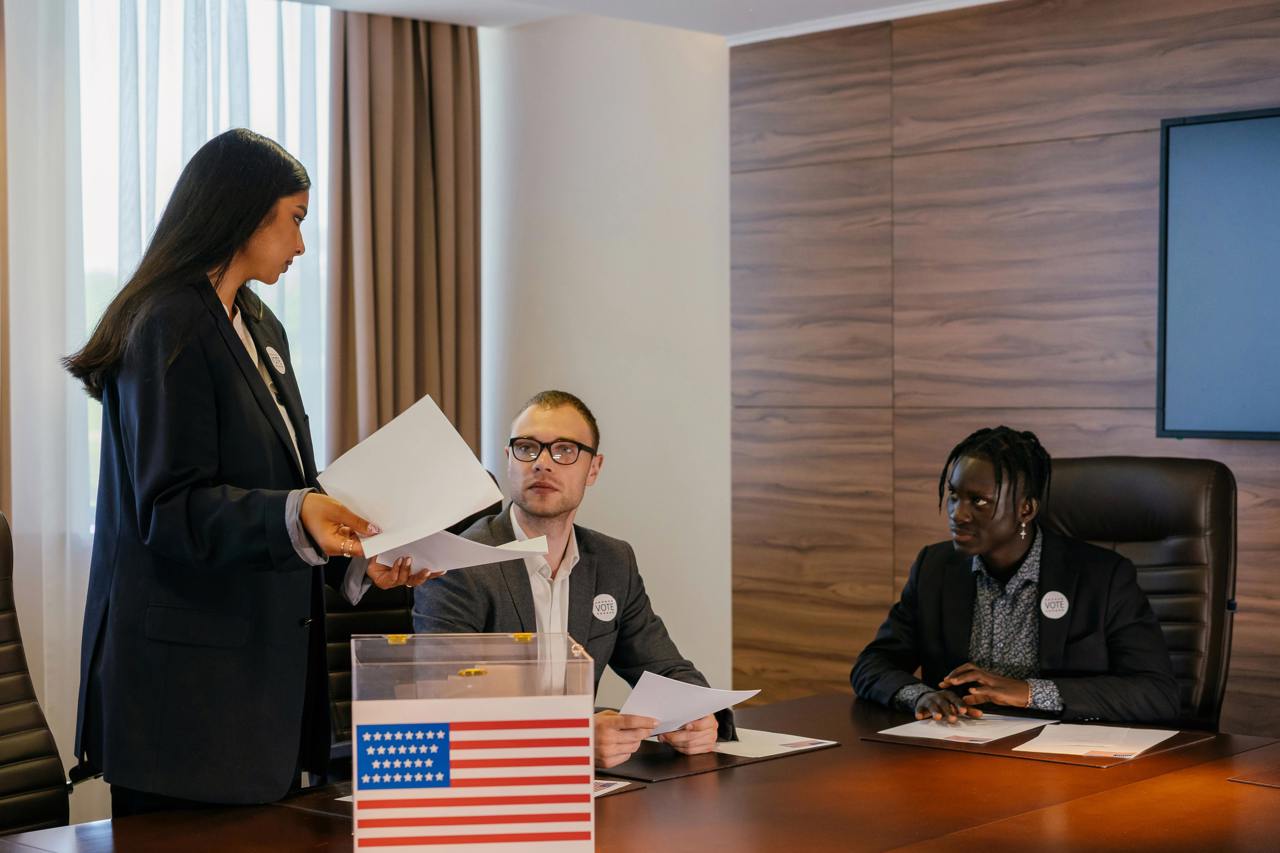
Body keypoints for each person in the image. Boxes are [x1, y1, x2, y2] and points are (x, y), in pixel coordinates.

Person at [63, 129, 430, 815]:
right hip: (186, 705)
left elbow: (283, 488)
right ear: (244, 212)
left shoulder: (260, 325)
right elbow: (170, 508)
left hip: (258, 696)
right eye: (295, 219)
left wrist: (357, 555)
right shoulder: (165, 323)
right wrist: (299, 512)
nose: (300, 245)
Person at [413, 390, 734, 768]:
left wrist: (697, 716)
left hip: (590, 786)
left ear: (593, 469)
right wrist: (572, 738)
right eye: (527, 448)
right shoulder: (460, 564)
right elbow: (448, 704)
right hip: (487, 775)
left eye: (564, 450)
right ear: (509, 460)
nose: (542, 464)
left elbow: (666, 668)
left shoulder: (613, 562)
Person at [850, 426, 1179, 723]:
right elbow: (873, 664)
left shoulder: (1102, 577)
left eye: (978, 501)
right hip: (958, 747)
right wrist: (920, 696)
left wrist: (1029, 692)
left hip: (1060, 755)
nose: (958, 514)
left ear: (1026, 509)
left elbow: (1156, 694)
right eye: (954, 495)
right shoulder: (935, 568)